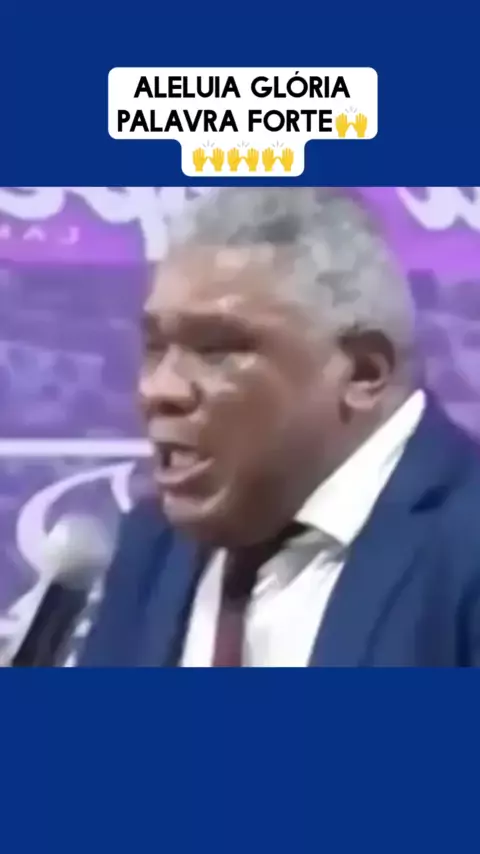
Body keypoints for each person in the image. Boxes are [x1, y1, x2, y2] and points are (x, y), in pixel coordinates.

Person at [79, 187, 480, 667]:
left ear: (363, 373)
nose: (159, 389)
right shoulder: (152, 543)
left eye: (216, 350)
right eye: (155, 347)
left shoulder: (463, 543)